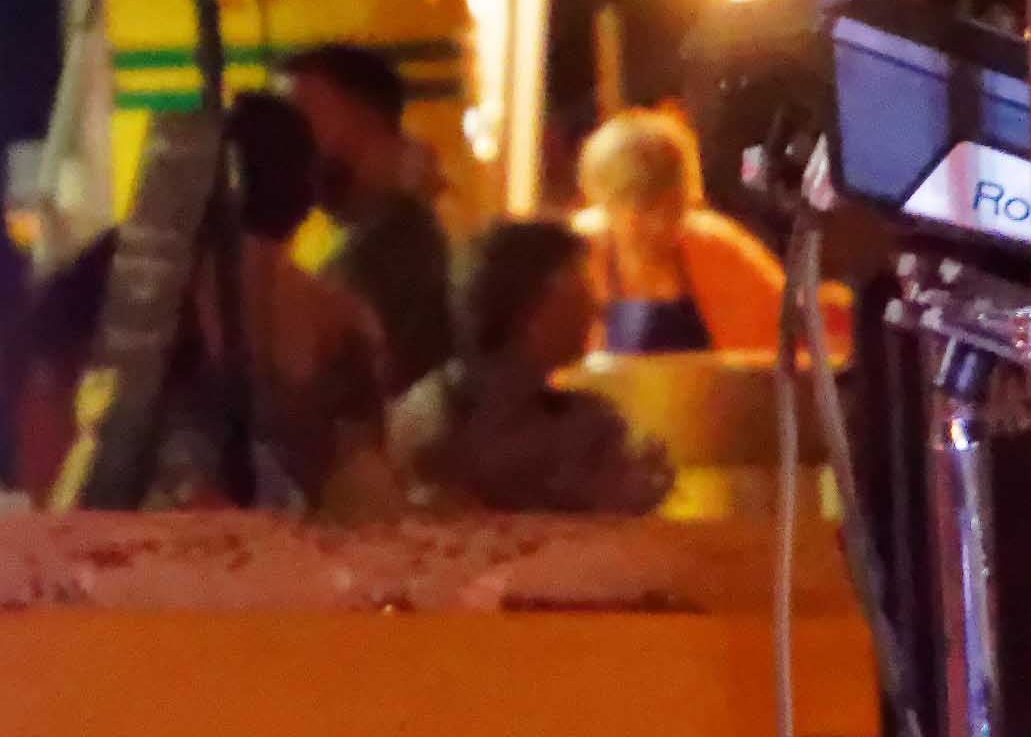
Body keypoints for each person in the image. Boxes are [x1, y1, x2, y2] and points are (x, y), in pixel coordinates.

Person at [9, 91, 399, 511]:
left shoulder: (128, 269)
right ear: (306, 198)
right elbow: (365, 493)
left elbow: (40, 377)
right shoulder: (342, 322)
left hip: (128, 529)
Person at [391, 219, 673, 518]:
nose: (596, 308)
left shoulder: (417, 413)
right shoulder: (583, 434)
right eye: (580, 289)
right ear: (532, 310)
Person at [278, 39, 458, 394]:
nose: (286, 145)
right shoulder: (394, 234)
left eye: (301, 119)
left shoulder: (388, 254)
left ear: (367, 117)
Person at [573, 102, 786, 356]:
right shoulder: (577, 256)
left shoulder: (719, 251)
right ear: (606, 204)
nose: (660, 224)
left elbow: (788, 338)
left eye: (673, 209)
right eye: (644, 211)